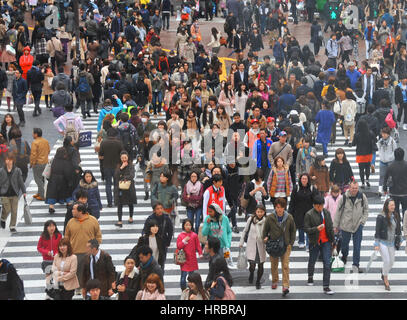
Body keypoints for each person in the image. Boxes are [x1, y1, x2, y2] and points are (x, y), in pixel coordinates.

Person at [262, 197, 296, 296]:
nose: (279, 209)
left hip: (285, 244)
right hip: (274, 244)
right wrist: (265, 238)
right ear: (275, 207)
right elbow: (265, 231)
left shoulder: (289, 217)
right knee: (274, 264)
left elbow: (293, 230)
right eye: (277, 207)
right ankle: (275, 280)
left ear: (284, 207)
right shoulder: (270, 217)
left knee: (285, 265)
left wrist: (291, 243)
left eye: (281, 207)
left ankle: (285, 285)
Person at [333, 180, 369, 273]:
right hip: (346, 226)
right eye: (353, 188)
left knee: (357, 246)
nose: (354, 190)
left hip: (358, 225)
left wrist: (362, 222)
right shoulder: (344, 197)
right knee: (344, 245)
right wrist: (335, 226)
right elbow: (338, 212)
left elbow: (366, 210)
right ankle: (344, 257)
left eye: (356, 188)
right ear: (349, 187)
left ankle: (356, 265)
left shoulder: (362, 197)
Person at [64, 203, 102, 289]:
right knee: (76, 271)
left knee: (90, 271)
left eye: (74, 209)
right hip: (75, 252)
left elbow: (98, 236)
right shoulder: (70, 222)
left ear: (80, 211)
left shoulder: (93, 220)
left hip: (90, 252)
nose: (72, 211)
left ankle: (89, 287)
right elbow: (66, 237)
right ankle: (78, 287)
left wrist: (95, 248)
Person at [304, 194, 335, 295]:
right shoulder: (309, 214)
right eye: (318, 206)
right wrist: (316, 229)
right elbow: (306, 229)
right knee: (312, 260)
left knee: (327, 263)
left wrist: (333, 241)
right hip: (315, 242)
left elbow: (330, 227)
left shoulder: (326, 213)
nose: (320, 208)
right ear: (314, 205)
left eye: (321, 206)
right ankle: (310, 277)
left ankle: (326, 286)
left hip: (326, 241)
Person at [374, 198, 401, 291]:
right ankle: (385, 279)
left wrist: (399, 237)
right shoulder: (381, 217)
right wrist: (376, 243)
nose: (393, 207)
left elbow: (398, 228)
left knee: (392, 262)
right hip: (383, 242)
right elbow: (377, 231)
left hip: (392, 242)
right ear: (386, 206)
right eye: (391, 205)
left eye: (394, 205)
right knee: (386, 261)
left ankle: (383, 272)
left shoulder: (396, 215)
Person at [239, 204, 267, 289]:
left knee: (261, 265)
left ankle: (258, 281)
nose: (259, 213)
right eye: (258, 211)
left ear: (264, 212)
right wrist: (241, 242)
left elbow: (269, 232)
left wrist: (267, 238)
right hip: (251, 245)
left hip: (261, 246)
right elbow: (245, 230)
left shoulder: (266, 221)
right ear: (255, 211)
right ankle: (251, 273)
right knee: (252, 265)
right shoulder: (251, 219)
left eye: (261, 212)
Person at [289, 173, 318, 250]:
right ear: (300, 180)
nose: (304, 180)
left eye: (305, 179)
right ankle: (301, 241)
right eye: (303, 179)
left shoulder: (312, 188)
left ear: (308, 180)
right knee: (300, 226)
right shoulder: (296, 188)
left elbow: (316, 200)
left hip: (309, 211)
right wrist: (290, 212)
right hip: (298, 211)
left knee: (308, 227)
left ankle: (308, 243)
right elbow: (292, 201)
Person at [0, 153, 26, 232]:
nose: (9, 161)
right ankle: (3, 218)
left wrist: (24, 191)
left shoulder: (17, 170)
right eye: (7, 160)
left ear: (13, 161)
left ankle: (12, 226)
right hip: (4, 193)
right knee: (7, 209)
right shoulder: (1, 170)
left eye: (10, 160)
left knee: (14, 211)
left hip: (14, 193)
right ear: (5, 161)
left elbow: (20, 182)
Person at [45, 147, 75, 214]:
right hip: (63, 180)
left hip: (53, 179)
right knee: (66, 193)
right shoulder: (66, 162)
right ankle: (69, 203)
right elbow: (67, 172)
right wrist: (70, 180)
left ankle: (51, 207)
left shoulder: (53, 160)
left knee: (52, 193)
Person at [202, 203, 233, 268]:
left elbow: (229, 232)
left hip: (224, 247)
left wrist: (228, 243)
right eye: (208, 211)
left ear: (216, 211)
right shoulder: (208, 218)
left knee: (226, 264)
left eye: (211, 211)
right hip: (213, 247)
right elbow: (204, 233)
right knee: (214, 265)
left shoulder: (224, 218)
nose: (209, 213)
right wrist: (207, 224)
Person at [143, 203, 173, 268]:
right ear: (154, 210)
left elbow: (170, 231)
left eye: (161, 208)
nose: (160, 210)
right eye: (158, 209)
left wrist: (168, 242)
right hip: (152, 241)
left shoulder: (166, 218)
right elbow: (145, 229)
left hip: (162, 242)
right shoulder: (150, 218)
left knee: (161, 262)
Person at [99, 128, 124, 207]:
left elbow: (101, 155)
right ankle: (116, 201)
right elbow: (122, 154)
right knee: (117, 184)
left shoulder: (103, 143)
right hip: (117, 166)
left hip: (106, 166)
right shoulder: (119, 143)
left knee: (108, 184)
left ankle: (109, 202)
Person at [177, 219, 203, 290]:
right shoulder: (180, 236)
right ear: (183, 226)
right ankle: (183, 289)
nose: (188, 227)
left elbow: (198, 245)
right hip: (184, 258)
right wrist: (184, 241)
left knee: (191, 276)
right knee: (183, 276)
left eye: (189, 225)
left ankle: (191, 288)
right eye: (186, 225)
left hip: (192, 258)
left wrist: (200, 253)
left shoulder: (194, 235)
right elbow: (178, 246)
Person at [114, 151, 137, 227]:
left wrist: (124, 178)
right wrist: (121, 168)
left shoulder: (131, 165)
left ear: (128, 157)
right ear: (120, 158)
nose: (124, 159)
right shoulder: (118, 165)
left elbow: (132, 175)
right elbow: (115, 176)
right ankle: (119, 220)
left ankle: (131, 217)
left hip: (129, 187)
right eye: (122, 158)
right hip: (120, 188)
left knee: (130, 203)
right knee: (119, 204)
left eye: (125, 157)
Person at [383, 148, 407, 220]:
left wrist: (385, 188)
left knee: (395, 210)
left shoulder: (391, 166)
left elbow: (386, 178)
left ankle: (397, 226)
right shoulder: (406, 165)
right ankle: (405, 224)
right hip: (405, 192)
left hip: (394, 192)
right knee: (405, 210)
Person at [352, 119, 376, 188]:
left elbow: (353, 144)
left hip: (360, 153)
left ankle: (362, 183)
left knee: (361, 169)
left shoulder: (357, 135)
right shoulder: (370, 133)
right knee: (367, 167)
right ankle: (367, 179)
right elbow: (375, 140)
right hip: (369, 153)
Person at [30, 128, 50, 201]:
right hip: (45, 162)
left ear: (36, 134)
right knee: (42, 179)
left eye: (33, 133)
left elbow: (33, 155)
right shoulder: (46, 141)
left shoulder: (35, 142)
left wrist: (32, 163)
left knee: (38, 180)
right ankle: (39, 192)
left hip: (37, 163)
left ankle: (42, 195)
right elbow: (48, 150)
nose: (32, 134)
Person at [377, 127, 397, 197]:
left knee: (389, 176)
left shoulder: (392, 142)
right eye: (382, 133)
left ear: (388, 134)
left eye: (385, 134)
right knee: (382, 175)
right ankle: (380, 190)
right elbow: (378, 147)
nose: (383, 135)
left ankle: (389, 189)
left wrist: (392, 157)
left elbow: (395, 150)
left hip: (390, 161)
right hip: (382, 160)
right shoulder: (380, 141)